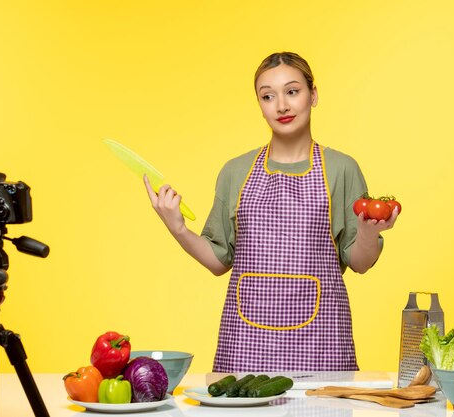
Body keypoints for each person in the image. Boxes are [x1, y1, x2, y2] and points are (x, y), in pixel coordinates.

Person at [143, 52, 399, 372]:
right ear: (260, 105)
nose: (281, 105)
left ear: (313, 95)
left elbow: (360, 263)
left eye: (292, 91)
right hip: (245, 346)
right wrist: (177, 228)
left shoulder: (341, 169)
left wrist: (368, 232)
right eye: (268, 96)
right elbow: (219, 261)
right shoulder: (235, 171)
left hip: (321, 345)